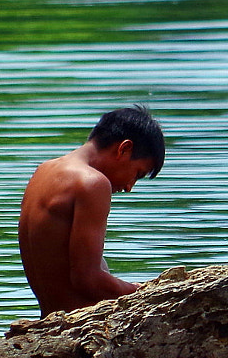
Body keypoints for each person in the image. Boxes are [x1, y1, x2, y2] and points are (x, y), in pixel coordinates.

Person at [19, 105, 166, 316]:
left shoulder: (44, 171)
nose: (129, 187)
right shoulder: (92, 183)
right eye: (137, 173)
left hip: (49, 320)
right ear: (124, 149)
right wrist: (146, 292)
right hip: (77, 326)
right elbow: (87, 279)